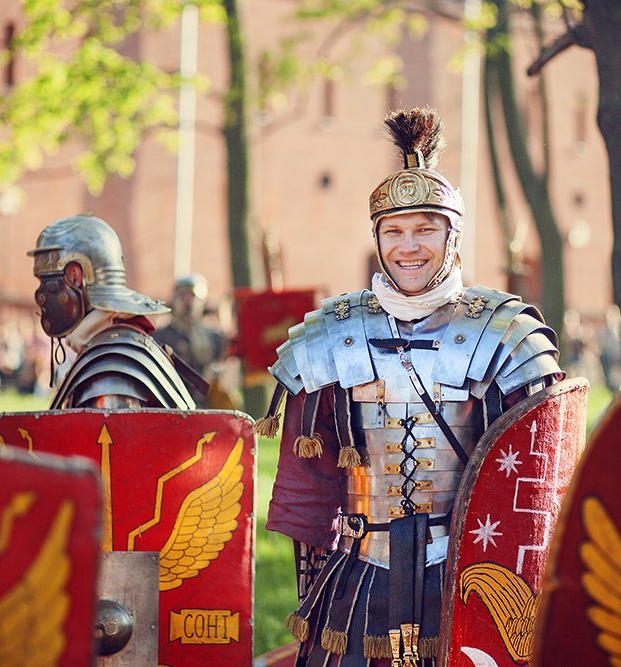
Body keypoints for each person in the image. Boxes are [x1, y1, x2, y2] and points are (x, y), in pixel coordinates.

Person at [257, 107, 564, 666]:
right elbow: (308, 485)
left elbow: (536, 491)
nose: (409, 247)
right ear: (376, 240)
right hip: (358, 576)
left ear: (453, 237)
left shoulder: (506, 336)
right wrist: (314, 583)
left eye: (426, 229)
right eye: (393, 231)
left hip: (468, 576)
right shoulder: (332, 335)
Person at [28, 214, 199, 410]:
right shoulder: (118, 344)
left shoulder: (111, 367)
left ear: (75, 277)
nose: (41, 294)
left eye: (46, 281)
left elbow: (111, 437)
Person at [152, 274, 229, 408]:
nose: (188, 302)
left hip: (205, 408)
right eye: (183, 296)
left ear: (203, 302)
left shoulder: (214, 338)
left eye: (193, 297)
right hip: (169, 407)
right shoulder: (158, 337)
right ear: (174, 299)